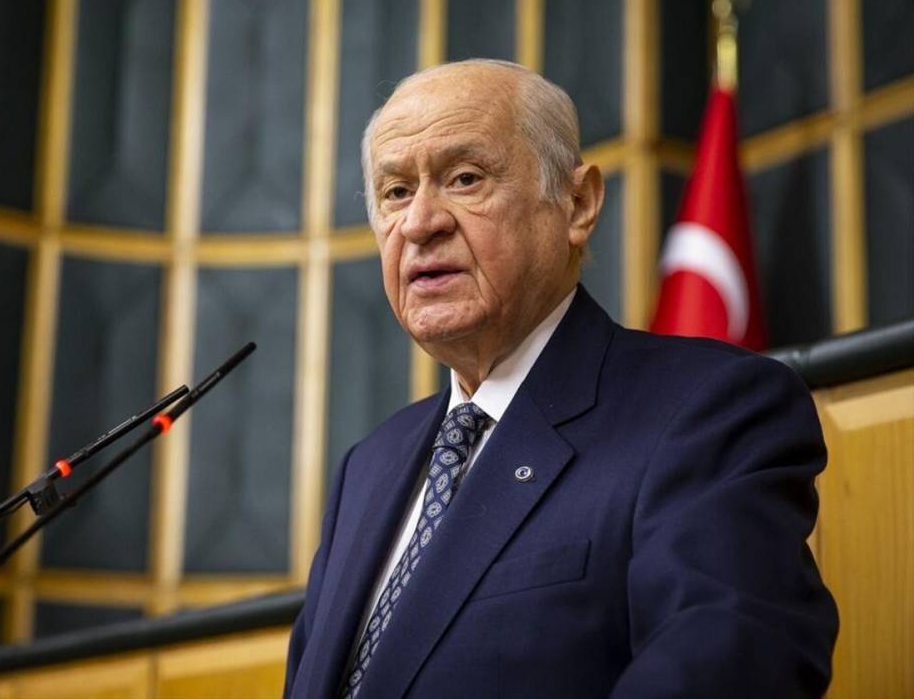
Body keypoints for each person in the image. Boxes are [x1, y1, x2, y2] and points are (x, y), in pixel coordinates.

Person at [283, 59, 837, 698]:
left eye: (465, 179)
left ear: (577, 204)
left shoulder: (710, 411)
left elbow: (730, 665)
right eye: (396, 192)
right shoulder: (367, 468)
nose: (420, 222)